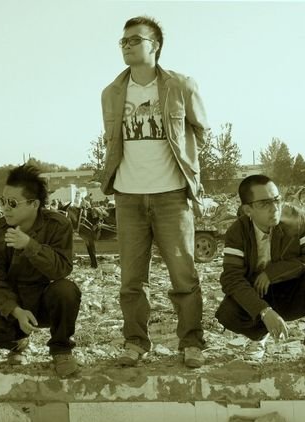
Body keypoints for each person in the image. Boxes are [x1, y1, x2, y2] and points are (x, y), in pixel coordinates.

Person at [99, 16, 209, 368]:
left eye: (135, 40)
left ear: (155, 46)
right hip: (128, 197)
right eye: (123, 41)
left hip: (171, 195)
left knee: (183, 275)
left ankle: (191, 343)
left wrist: (192, 176)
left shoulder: (181, 86)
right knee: (132, 280)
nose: (127, 46)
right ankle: (135, 342)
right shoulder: (111, 93)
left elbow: (200, 130)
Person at [216, 175, 305, 372]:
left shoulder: (297, 219)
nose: (274, 208)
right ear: (248, 210)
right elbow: (231, 278)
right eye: (264, 203)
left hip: (292, 290)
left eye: (276, 200)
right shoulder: (237, 232)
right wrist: (263, 311)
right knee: (227, 313)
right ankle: (258, 336)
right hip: (258, 293)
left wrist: (273, 272)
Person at [0, 164, 82, 377]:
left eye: (13, 203)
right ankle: (17, 343)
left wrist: (30, 246)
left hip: (45, 301)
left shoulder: (57, 226)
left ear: (34, 204)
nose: (5, 208)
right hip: (13, 301)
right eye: (3, 201)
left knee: (67, 291)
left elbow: (61, 269)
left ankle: (61, 349)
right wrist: (15, 310)